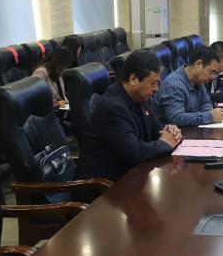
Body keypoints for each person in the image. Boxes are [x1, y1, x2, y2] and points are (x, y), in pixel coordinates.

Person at [75, 48, 181, 181]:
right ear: (133, 79)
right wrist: (166, 143)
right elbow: (134, 153)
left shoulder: (140, 97)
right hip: (103, 185)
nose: (156, 88)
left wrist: (169, 132)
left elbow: (154, 127)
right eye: (153, 83)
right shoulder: (113, 108)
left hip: (130, 174)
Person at [157, 45, 223, 127]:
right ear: (198, 64)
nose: (212, 77)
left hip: (191, 130)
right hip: (171, 132)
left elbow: (206, 102)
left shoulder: (198, 80)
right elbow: (176, 118)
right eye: (211, 72)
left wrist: (208, 114)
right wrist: (209, 116)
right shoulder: (174, 84)